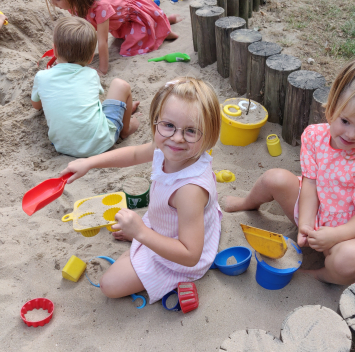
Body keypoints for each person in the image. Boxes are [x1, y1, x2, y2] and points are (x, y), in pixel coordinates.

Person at [224, 52, 355, 286]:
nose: (351, 134)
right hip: (315, 210)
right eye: (345, 121)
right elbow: (310, 184)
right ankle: (247, 204)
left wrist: (333, 236)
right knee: (274, 178)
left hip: (348, 233)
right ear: (331, 107)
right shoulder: (315, 136)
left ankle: (321, 274)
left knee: (352, 259)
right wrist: (305, 223)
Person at [60, 77, 222, 304]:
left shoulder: (189, 191)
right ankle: (142, 236)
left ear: (210, 134)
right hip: (170, 224)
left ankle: (143, 241)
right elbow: (135, 154)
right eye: (168, 125)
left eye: (191, 131)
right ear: (156, 121)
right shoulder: (167, 147)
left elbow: (190, 254)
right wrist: (89, 162)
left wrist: (141, 233)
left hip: (180, 252)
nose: (177, 137)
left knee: (109, 285)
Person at [31, 17, 139, 158]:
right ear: (89, 59)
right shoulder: (91, 74)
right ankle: (125, 129)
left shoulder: (41, 77)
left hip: (63, 146)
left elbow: (36, 106)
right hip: (102, 143)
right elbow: (92, 104)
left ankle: (124, 111)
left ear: (55, 50)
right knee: (120, 85)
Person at [48, 0, 182, 75]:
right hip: (119, 24)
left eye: (57, 0)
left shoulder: (100, 7)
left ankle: (164, 30)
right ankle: (161, 22)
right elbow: (79, 35)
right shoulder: (75, 6)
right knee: (135, 35)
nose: (53, 2)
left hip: (133, 17)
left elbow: (103, 41)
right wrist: (62, 58)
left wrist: (102, 69)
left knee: (130, 49)